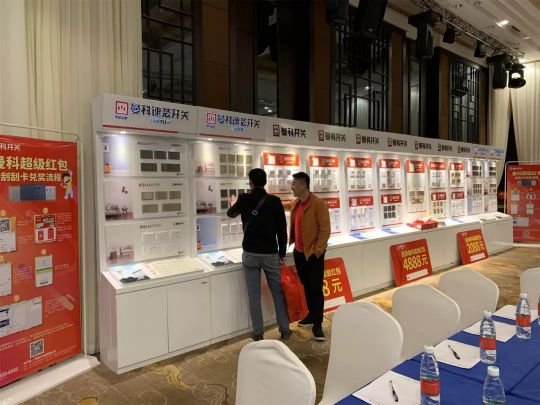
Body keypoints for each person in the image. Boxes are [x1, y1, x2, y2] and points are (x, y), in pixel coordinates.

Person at [227, 168, 291, 341]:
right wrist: (282, 252)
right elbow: (282, 230)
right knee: (277, 292)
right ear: (265, 182)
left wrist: (233, 203)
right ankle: (284, 329)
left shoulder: (244, 199)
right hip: (270, 253)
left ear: (251, 182)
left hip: (250, 254)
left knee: (253, 295)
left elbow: (231, 214)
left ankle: (258, 332)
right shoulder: (274, 201)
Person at [290, 172, 330, 341]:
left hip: (313, 254)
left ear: (304, 185)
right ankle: (312, 314)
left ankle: (317, 324)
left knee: (316, 288)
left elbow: (325, 230)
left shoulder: (318, 205)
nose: (292, 187)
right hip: (299, 253)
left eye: (294, 184)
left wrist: (317, 252)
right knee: (307, 285)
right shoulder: (296, 204)